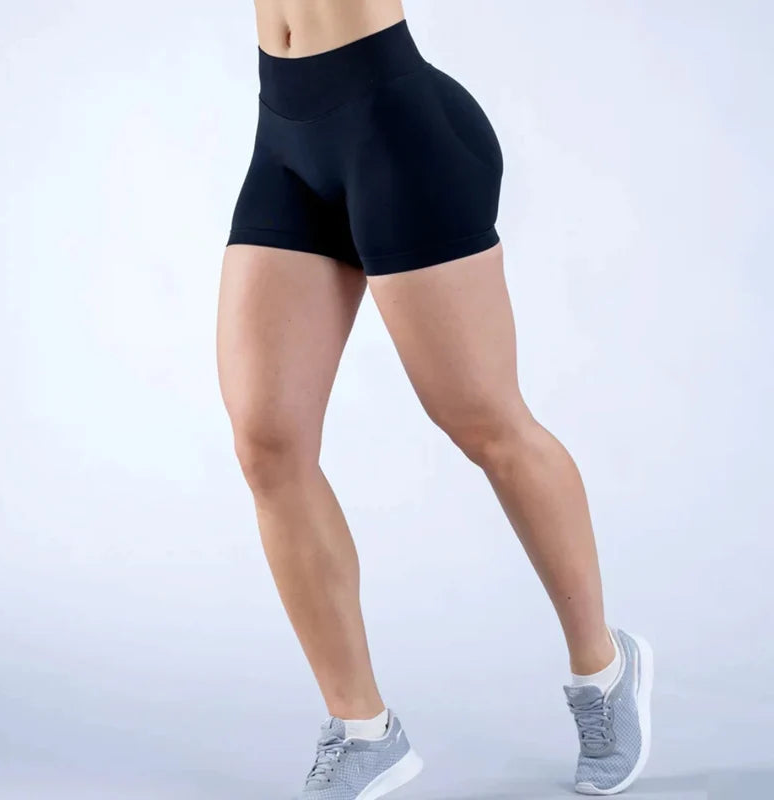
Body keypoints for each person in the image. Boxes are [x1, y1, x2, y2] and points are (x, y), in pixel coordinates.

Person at [216, 2, 653, 797]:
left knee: (486, 423)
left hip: (397, 131)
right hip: (283, 132)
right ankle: (363, 731)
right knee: (268, 444)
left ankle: (604, 667)